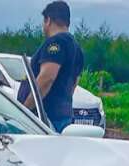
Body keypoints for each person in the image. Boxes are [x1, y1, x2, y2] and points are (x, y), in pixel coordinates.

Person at [18, 1, 84, 133]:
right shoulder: (76, 48)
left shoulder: (55, 43)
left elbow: (46, 79)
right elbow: (73, 84)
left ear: (48, 20)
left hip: (44, 119)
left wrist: (24, 111)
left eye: (44, 22)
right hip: (62, 116)